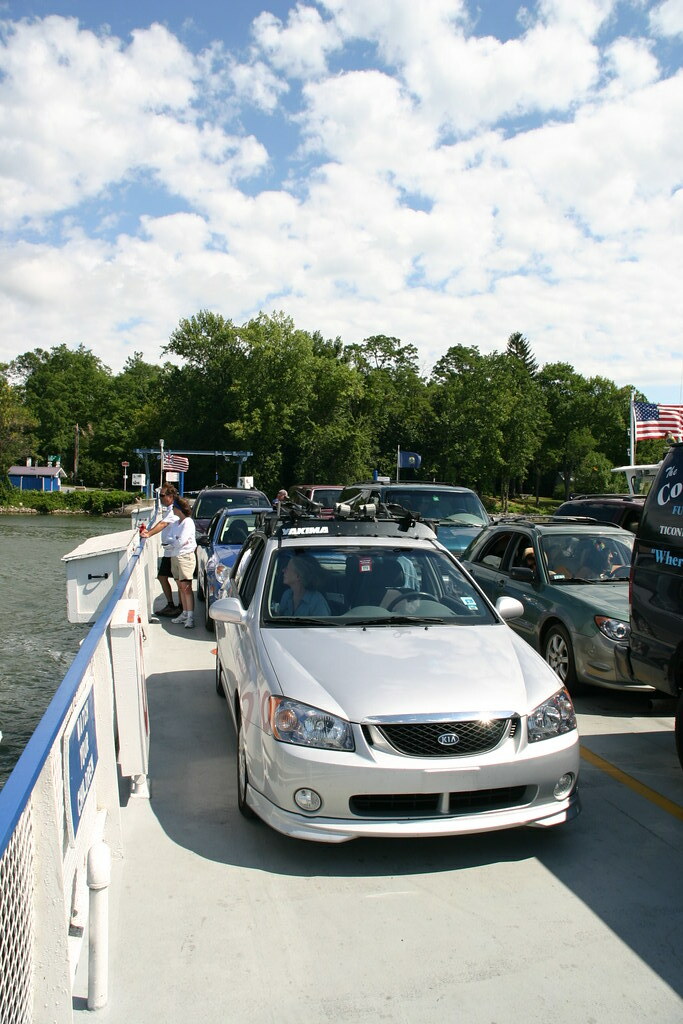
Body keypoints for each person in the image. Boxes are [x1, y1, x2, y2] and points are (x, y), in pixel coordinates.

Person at [139, 484, 180, 616]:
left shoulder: (174, 510)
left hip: (174, 550)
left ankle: (179, 607)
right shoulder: (169, 509)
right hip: (169, 550)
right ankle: (173, 605)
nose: (160, 498)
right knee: (164, 577)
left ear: (170, 497)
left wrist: (148, 534)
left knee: (178, 580)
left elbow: (163, 524)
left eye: (162, 495)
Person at [165, 497, 197, 628]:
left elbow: (181, 540)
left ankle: (190, 617)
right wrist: (173, 543)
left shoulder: (188, 522)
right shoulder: (177, 523)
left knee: (186, 587)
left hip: (185, 557)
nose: (172, 510)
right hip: (175, 556)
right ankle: (184, 612)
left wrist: (173, 543)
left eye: (174, 507)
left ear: (178, 509)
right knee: (180, 586)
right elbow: (170, 538)